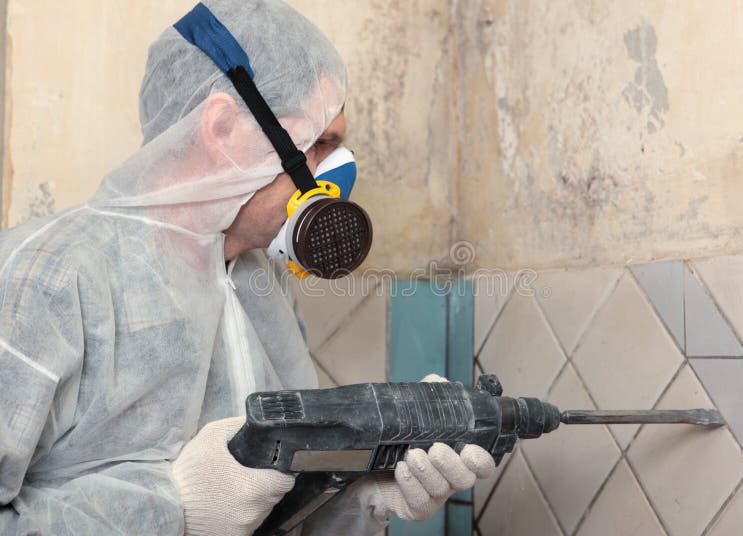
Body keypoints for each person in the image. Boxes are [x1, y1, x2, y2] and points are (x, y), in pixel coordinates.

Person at [0, 1, 495, 534]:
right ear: (223, 129)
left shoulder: (261, 280)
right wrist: (172, 508)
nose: (336, 171)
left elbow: (266, 504)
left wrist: (357, 496)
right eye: (319, 143)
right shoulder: (46, 279)